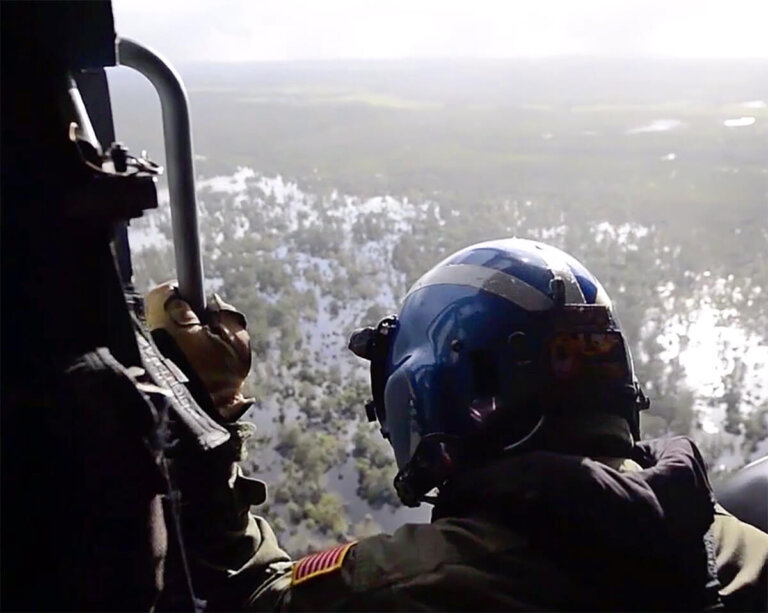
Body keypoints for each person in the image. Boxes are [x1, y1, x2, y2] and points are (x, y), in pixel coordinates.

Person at [148, 238, 768, 611]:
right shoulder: (740, 547)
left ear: (429, 396)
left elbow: (246, 599)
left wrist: (209, 403)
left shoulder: (418, 585)